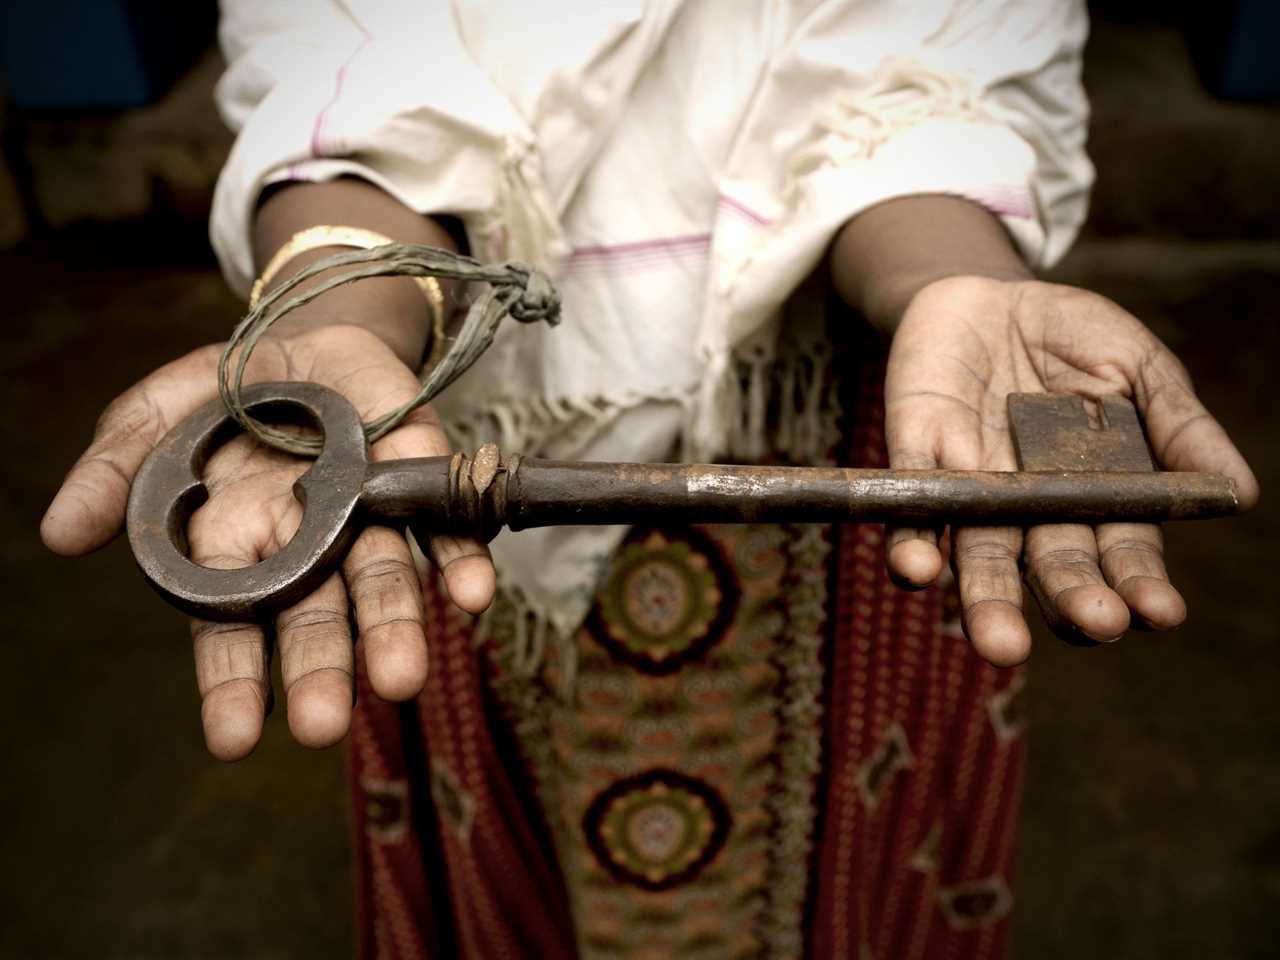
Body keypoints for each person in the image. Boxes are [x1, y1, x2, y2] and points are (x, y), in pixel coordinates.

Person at [41, 2, 1257, 958]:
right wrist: (340, 309)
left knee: (859, 859)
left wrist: (960, 280)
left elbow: (943, 60)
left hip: (889, 405)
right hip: (431, 428)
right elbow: (343, 55)